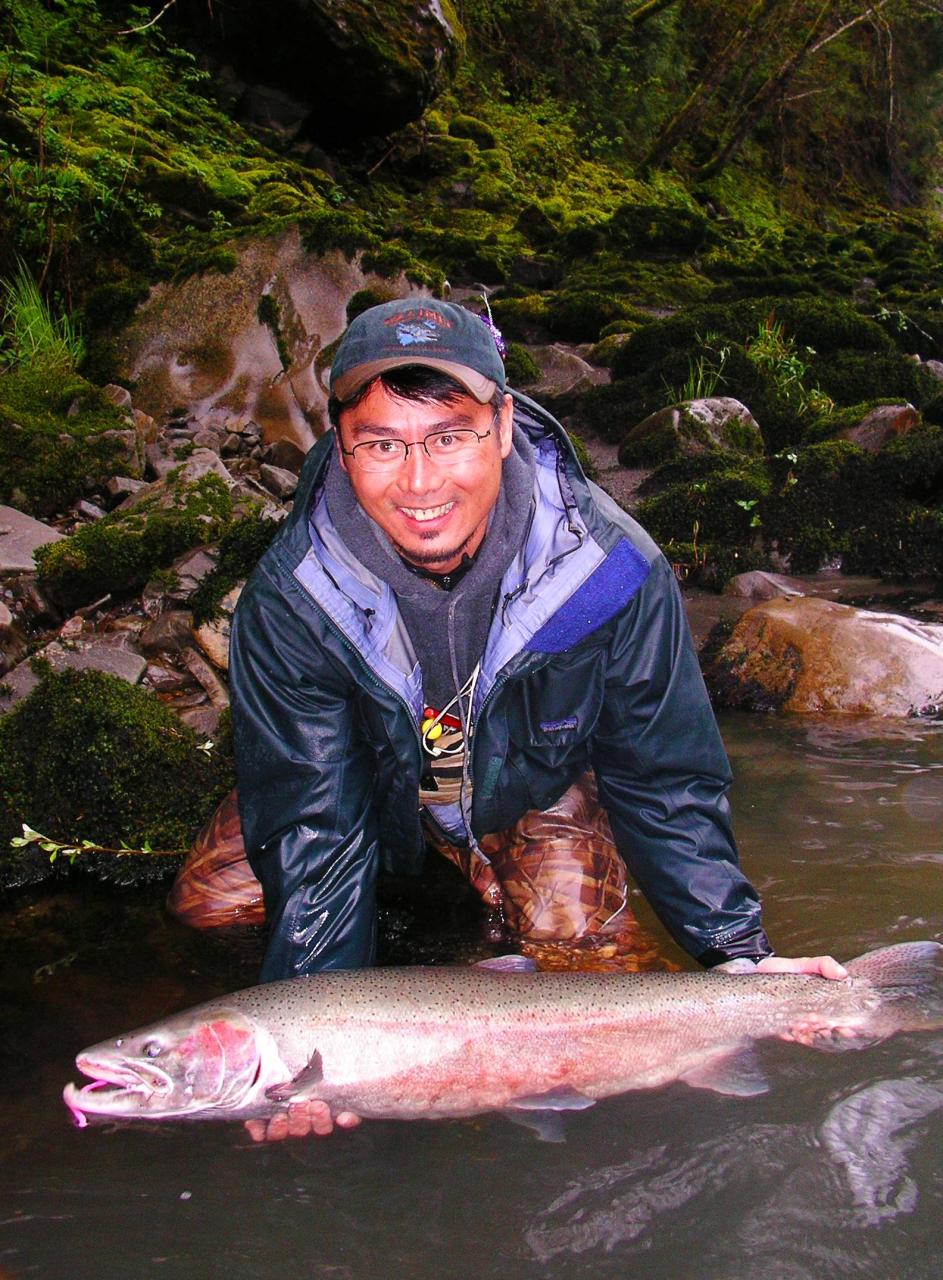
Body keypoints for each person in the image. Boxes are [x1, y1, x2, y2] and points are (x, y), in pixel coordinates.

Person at [228, 297, 845, 1141]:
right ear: (339, 442)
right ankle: (431, 900)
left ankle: (490, 898)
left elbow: (659, 777)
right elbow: (312, 820)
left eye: (449, 436)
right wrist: (307, 1047)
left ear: (504, 424)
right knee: (214, 910)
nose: (418, 484)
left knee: (590, 965)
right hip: (369, 798)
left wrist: (735, 950)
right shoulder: (289, 600)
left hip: (528, 799)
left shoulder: (611, 571)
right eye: (381, 444)